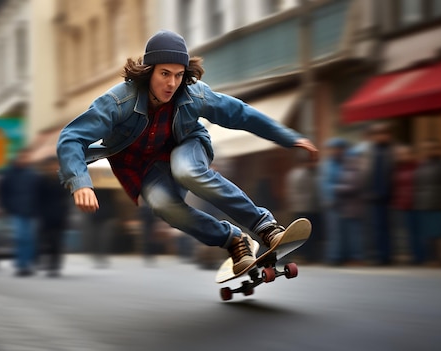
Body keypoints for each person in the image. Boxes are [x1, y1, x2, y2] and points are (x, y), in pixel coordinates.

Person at [57, 30, 318, 274]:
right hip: (146, 167)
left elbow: (241, 114)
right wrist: (81, 182)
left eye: (179, 75)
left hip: (186, 146)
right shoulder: (118, 102)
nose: (172, 83)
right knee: (162, 206)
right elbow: (72, 137)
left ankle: (266, 227)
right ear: (149, 72)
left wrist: (289, 137)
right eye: (165, 74)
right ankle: (234, 240)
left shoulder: (194, 95)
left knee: (187, 171)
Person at [413, 139, 441, 264]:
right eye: (428, 149)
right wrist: (418, 201)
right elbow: (418, 186)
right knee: (429, 233)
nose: (430, 151)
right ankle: (433, 258)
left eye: (434, 148)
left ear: (440, 150)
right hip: (425, 204)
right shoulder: (422, 165)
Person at [0, 149, 41, 276]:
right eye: (22, 157)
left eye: (26, 158)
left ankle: (27, 264)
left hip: (31, 211)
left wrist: (38, 208)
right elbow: (2, 192)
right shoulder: (10, 174)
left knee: (29, 239)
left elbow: (39, 194)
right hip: (17, 211)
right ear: (18, 158)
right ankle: (21, 264)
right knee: (20, 238)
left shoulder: (33, 175)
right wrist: (6, 207)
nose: (23, 160)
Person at [359, 122, 396, 265]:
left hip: (387, 195)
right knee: (374, 228)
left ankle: (386, 255)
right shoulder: (369, 152)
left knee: (387, 228)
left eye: (384, 133)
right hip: (372, 195)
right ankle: (376, 256)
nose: (381, 137)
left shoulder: (391, 151)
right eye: (378, 134)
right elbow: (365, 173)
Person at [285, 153, 322, 262]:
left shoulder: (293, 173)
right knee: (307, 234)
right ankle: (305, 255)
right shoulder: (304, 174)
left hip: (300, 207)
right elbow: (310, 191)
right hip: (306, 208)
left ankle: (303, 255)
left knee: (303, 234)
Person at [37, 157, 70, 277]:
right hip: (46, 216)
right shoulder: (41, 181)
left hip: (60, 216)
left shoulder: (63, 181)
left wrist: (66, 214)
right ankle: (50, 263)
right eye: (50, 166)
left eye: (55, 166)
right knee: (48, 241)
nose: (53, 168)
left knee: (57, 242)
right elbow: (38, 198)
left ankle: (55, 265)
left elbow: (67, 199)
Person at [333, 149, 366, 265]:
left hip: (354, 208)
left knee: (355, 236)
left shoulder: (356, 171)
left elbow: (354, 187)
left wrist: (338, 188)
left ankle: (357, 257)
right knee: (349, 235)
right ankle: (351, 256)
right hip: (346, 208)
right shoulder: (346, 170)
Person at [319, 138, 349, 265]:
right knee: (333, 231)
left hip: (345, 201)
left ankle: (342, 255)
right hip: (332, 202)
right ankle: (334, 257)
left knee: (344, 230)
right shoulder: (327, 164)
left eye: (338, 149)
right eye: (333, 149)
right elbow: (325, 183)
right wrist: (329, 198)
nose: (335, 151)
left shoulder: (345, 162)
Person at [391, 145, 420, 264]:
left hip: (414, 203)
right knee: (403, 233)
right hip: (400, 204)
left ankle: (418, 256)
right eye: (400, 154)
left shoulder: (417, 167)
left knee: (415, 232)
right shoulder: (397, 169)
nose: (403, 156)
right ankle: (409, 255)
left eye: (406, 154)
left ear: (412, 154)